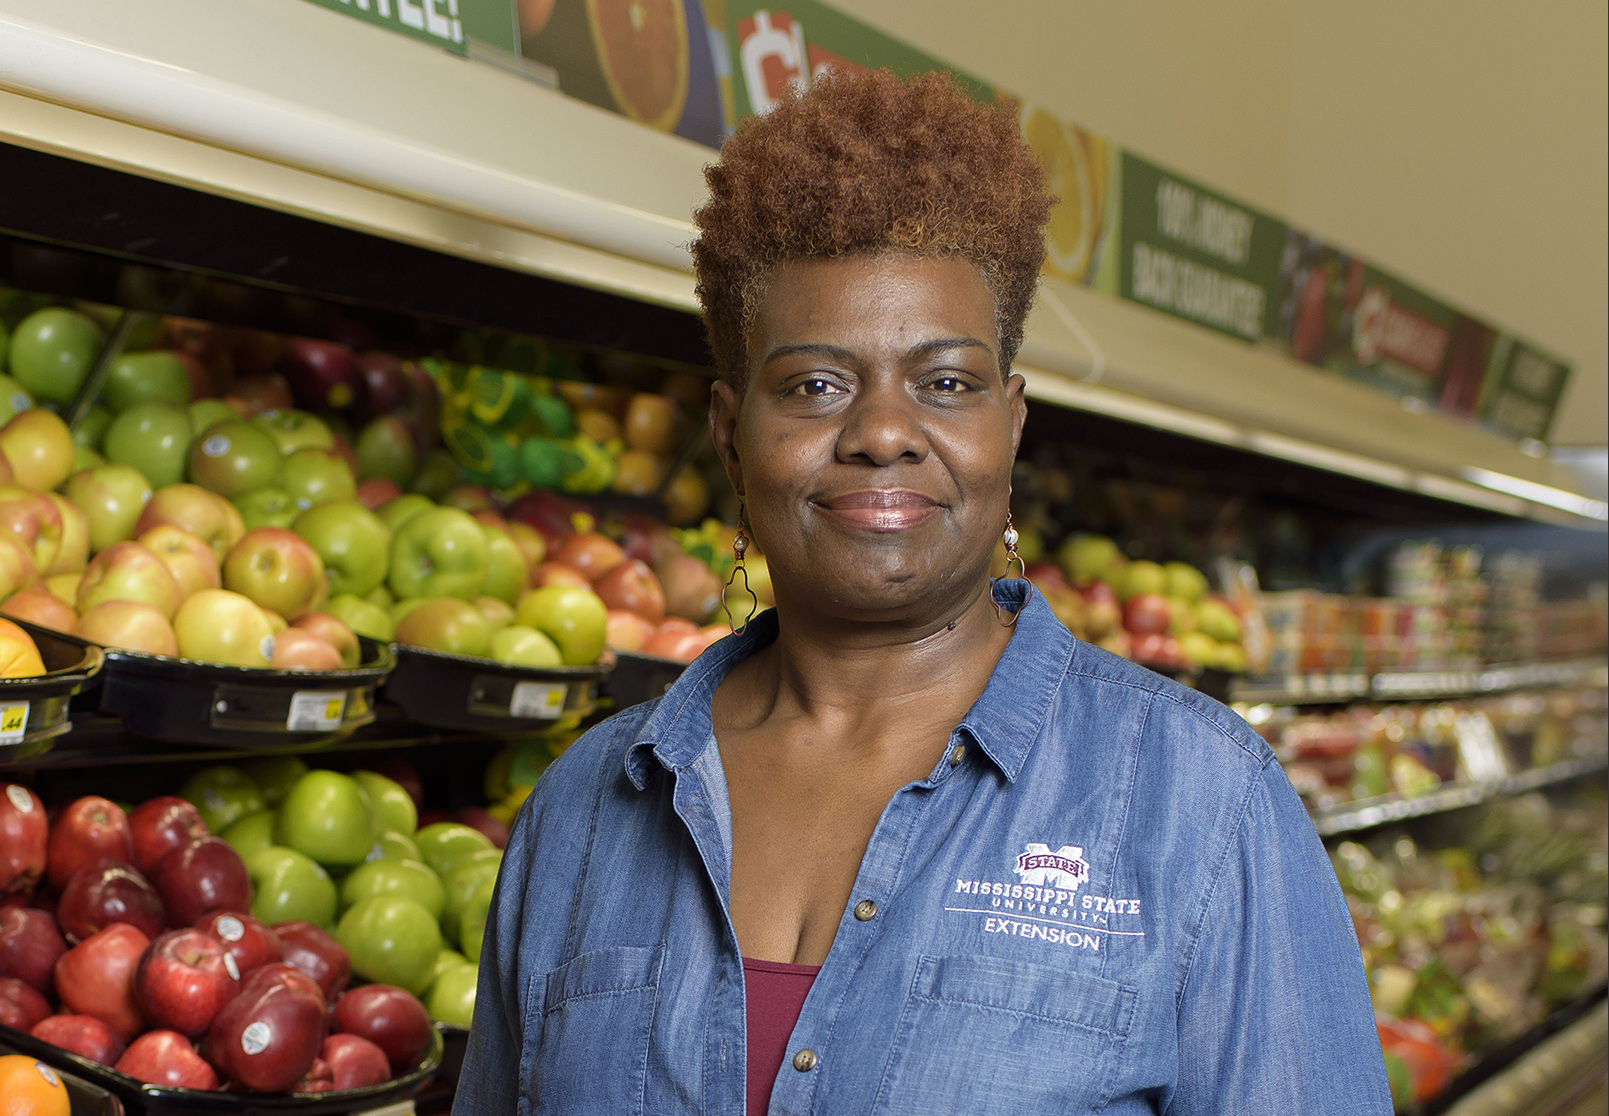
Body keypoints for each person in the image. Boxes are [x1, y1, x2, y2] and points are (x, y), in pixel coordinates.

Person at [455, 69, 1389, 1115]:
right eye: (815, 385)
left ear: (1010, 428)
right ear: (730, 437)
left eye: (945, 383)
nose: (883, 432)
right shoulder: (584, 812)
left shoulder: (1201, 808)